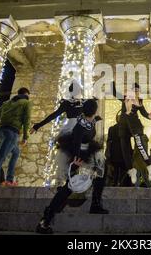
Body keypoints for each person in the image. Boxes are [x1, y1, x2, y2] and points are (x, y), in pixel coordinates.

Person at [36, 99, 108, 234]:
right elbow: (76, 142)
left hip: (86, 154)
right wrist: (76, 160)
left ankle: (96, 205)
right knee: (68, 187)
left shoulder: (88, 120)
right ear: (94, 111)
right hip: (77, 156)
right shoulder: (80, 126)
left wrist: (96, 119)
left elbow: (90, 126)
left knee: (101, 173)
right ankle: (45, 220)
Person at [30, 80, 89, 184]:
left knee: (76, 155)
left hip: (77, 130)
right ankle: (68, 180)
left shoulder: (82, 103)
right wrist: (37, 125)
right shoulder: (69, 103)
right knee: (71, 155)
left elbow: (53, 115)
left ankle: (72, 180)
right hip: (73, 130)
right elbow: (54, 115)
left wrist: (37, 126)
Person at [112, 81, 151, 185]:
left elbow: (144, 113)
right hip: (123, 125)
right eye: (133, 90)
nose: (135, 92)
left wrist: (150, 115)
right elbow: (114, 93)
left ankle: (150, 166)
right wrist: (112, 81)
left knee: (140, 146)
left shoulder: (139, 101)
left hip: (134, 124)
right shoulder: (125, 98)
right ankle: (131, 170)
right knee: (125, 149)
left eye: (137, 90)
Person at [105, 111, 126, 186]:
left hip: (114, 154)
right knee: (122, 173)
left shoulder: (112, 129)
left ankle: (115, 184)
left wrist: (108, 153)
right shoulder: (125, 129)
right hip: (123, 154)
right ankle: (120, 184)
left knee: (115, 173)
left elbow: (108, 142)